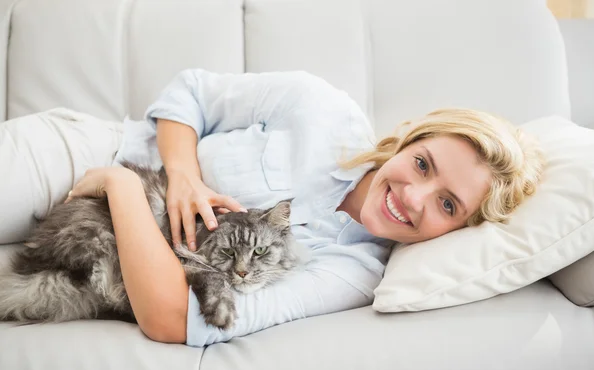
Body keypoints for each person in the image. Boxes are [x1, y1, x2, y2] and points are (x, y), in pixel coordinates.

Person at [62, 69, 544, 346]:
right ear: (408, 139)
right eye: (422, 163)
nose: (412, 197)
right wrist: (182, 175)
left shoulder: (350, 273)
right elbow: (190, 94)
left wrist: (121, 187)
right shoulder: (324, 109)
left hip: (112, 211)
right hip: (88, 147)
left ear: (459, 230)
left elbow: (172, 317)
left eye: (447, 203)